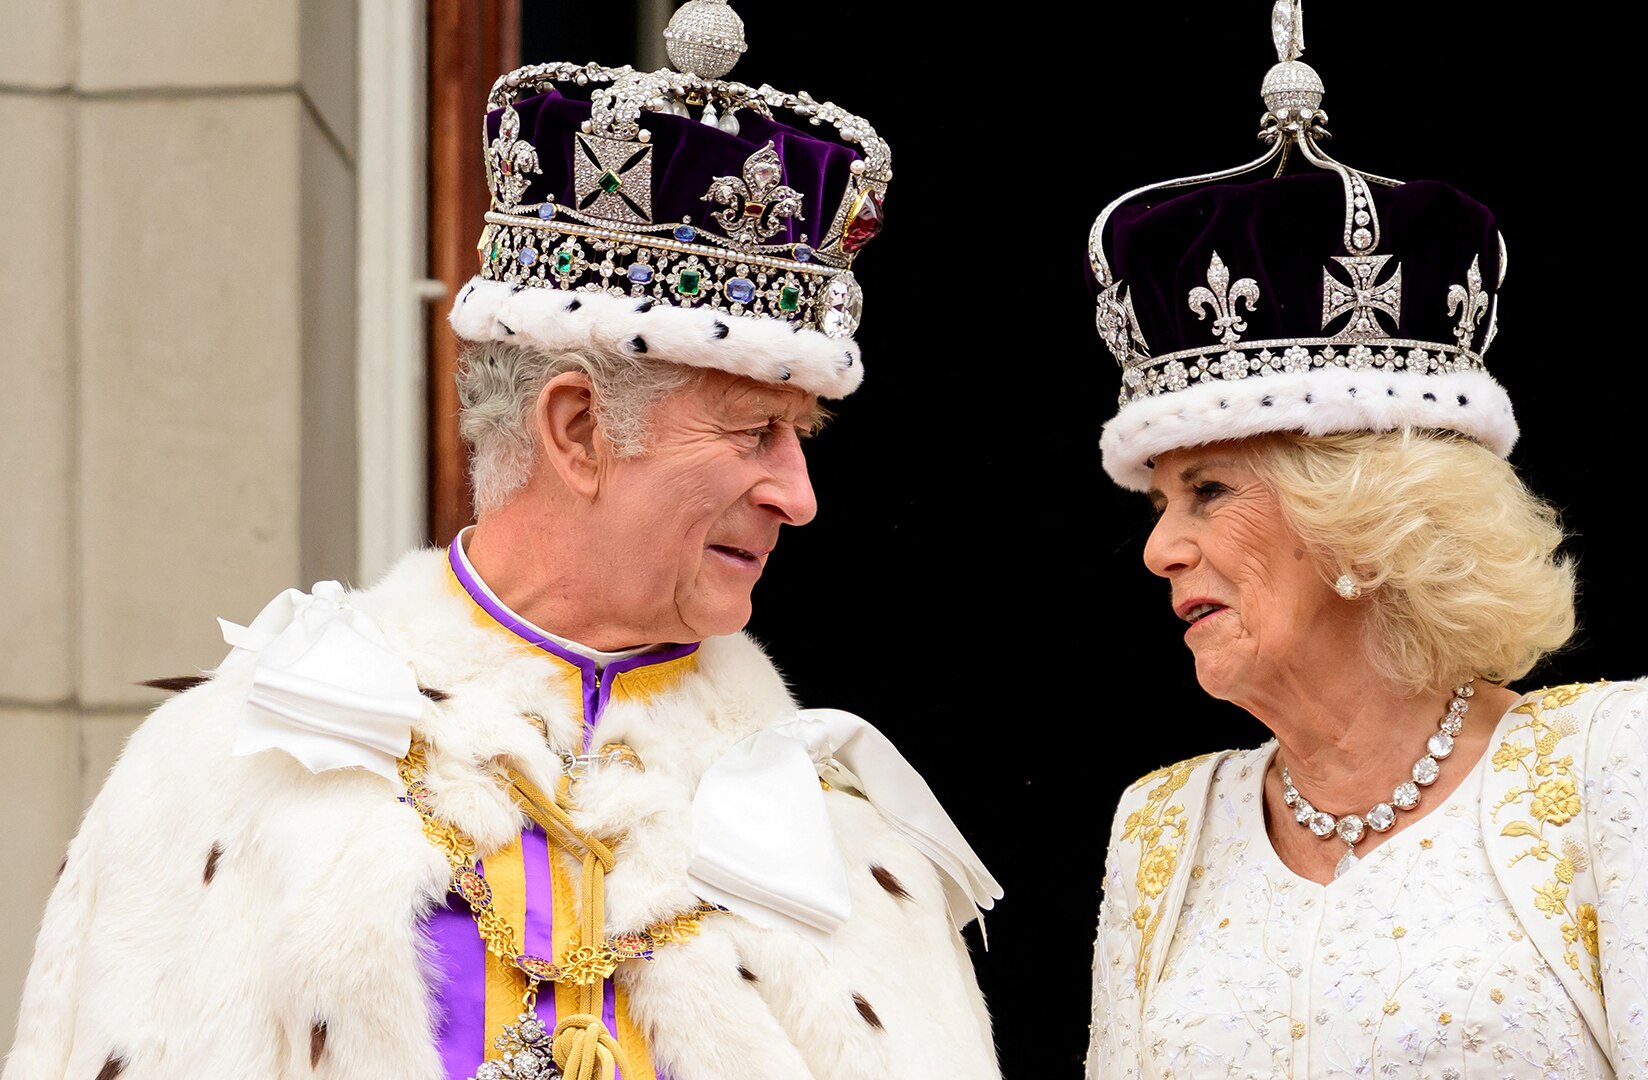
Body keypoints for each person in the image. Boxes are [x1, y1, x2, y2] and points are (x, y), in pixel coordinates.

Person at [3, 5, 1000, 1079]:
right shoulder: (229, 771)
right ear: (577, 431)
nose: (799, 495)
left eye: (799, 437)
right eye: (756, 431)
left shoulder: (850, 843)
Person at [1081, 5, 1648, 1078]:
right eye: (1159, 502)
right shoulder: (1160, 828)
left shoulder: (1619, 761)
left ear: (1364, 515)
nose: (1161, 548)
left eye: (1208, 491)